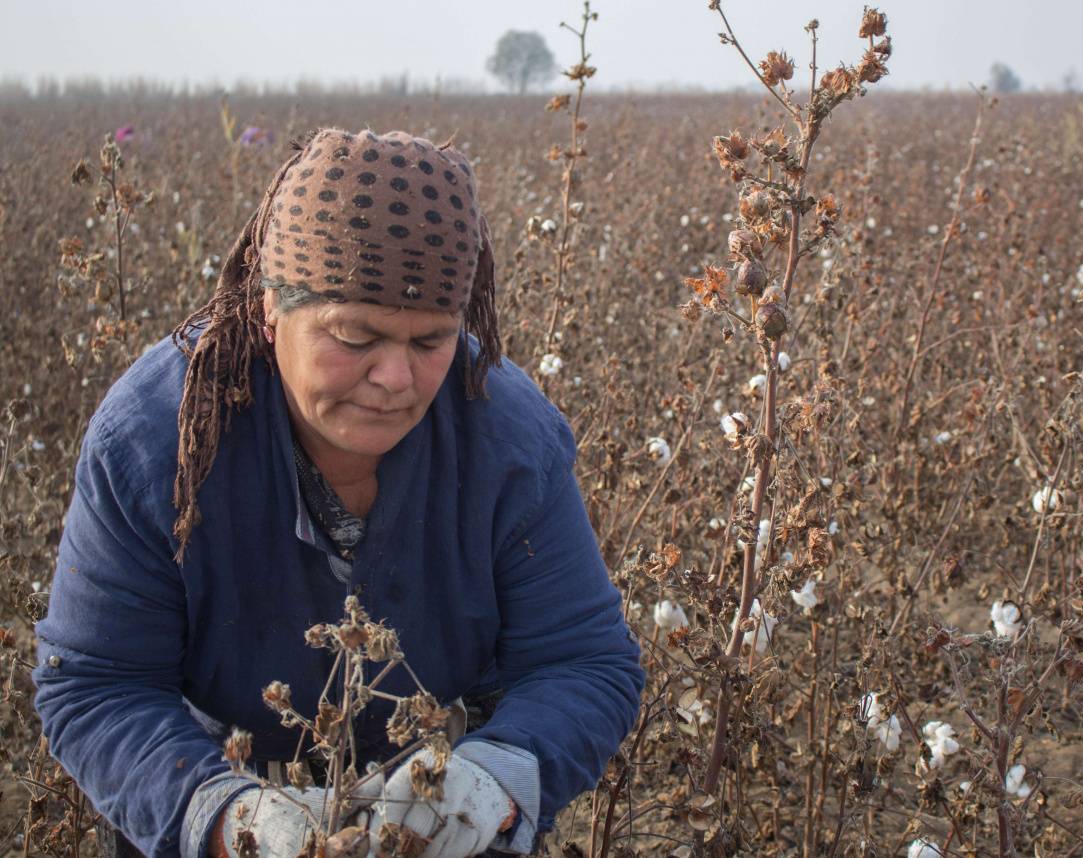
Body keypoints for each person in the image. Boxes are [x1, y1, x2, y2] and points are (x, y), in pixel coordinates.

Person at [32, 128, 645, 857]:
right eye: (355, 337)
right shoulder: (154, 441)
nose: (397, 379)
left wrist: (491, 781)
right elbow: (98, 685)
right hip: (204, 793)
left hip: (438, 817)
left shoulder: (507, 439)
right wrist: (230, 821)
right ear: (269, 312)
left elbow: (584, 662)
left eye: (430, 342)